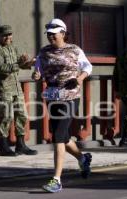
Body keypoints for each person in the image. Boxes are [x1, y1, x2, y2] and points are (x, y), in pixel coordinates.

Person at [31, 18, 92, 193]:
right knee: (63, 137)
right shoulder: (44, 52)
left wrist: (79, 79)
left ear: (63, 33)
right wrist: (36, 75)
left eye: (54, 34)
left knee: (57, 135)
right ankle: (82, 158)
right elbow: (38, 71)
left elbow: (88, 67)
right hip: (52, 96)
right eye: (48, 34)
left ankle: (56, 180)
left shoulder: (74, 50)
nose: (50, 37)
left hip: (70, 96)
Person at [0, 25, 38, 156]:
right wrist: (18, 65)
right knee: (5, 116)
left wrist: (27, 62)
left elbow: (18, 64)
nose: (8, 37)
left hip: (16, 87)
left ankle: (20, 144)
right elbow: (0, 67)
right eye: (5, 35)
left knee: (22, 115)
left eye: (9, 35)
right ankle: (3, 146)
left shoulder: (13, 47)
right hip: (3, 88)